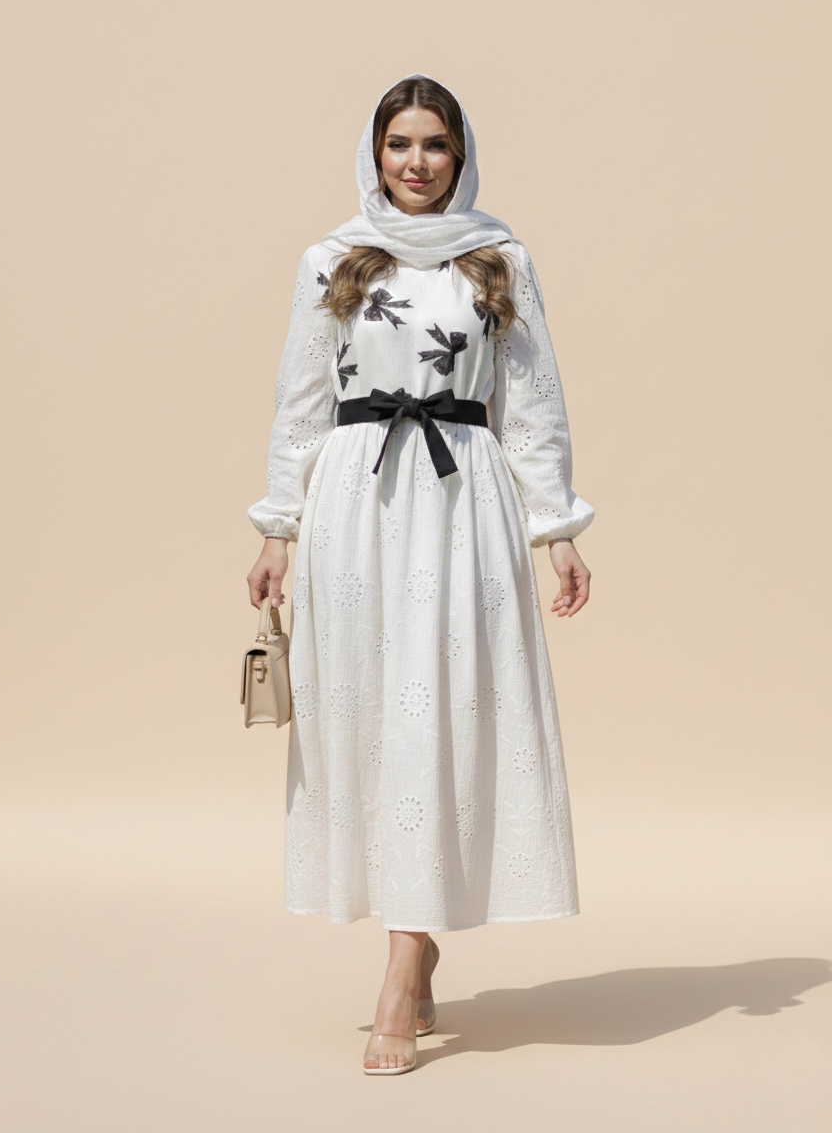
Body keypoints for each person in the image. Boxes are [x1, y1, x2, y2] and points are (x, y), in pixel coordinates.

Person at [245, 72, 594, 1075]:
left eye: (435, 144)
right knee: (370, 716)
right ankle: (414, 934)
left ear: (460, 156)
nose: (416, 162)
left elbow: (533, 402)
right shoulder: (333, 257)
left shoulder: (499, 259)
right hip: (355, 506)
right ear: (375, 153)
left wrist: (556, 529)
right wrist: (277, 529)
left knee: (442, 711)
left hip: (463, 502)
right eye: (398, 143)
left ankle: (401, 973)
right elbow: (300, 401)